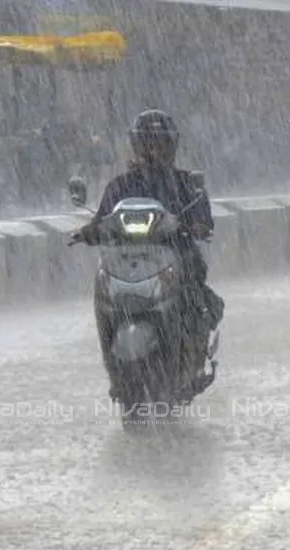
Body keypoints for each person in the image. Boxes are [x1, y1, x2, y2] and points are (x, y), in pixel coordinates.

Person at [79, 109, 224, 401]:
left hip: (176, 258)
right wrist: (88, 231)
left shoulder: (186, 184)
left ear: (172, 146)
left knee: (195, 295)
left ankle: (192, 348)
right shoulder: (119, 186)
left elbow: (204, 220)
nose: (153, 150)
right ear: (136, 145)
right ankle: (114, 367)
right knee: (103, 297)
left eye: (159, 143)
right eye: (147, 143)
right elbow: (101, 218)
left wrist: (195, 226)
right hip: (126, 263)